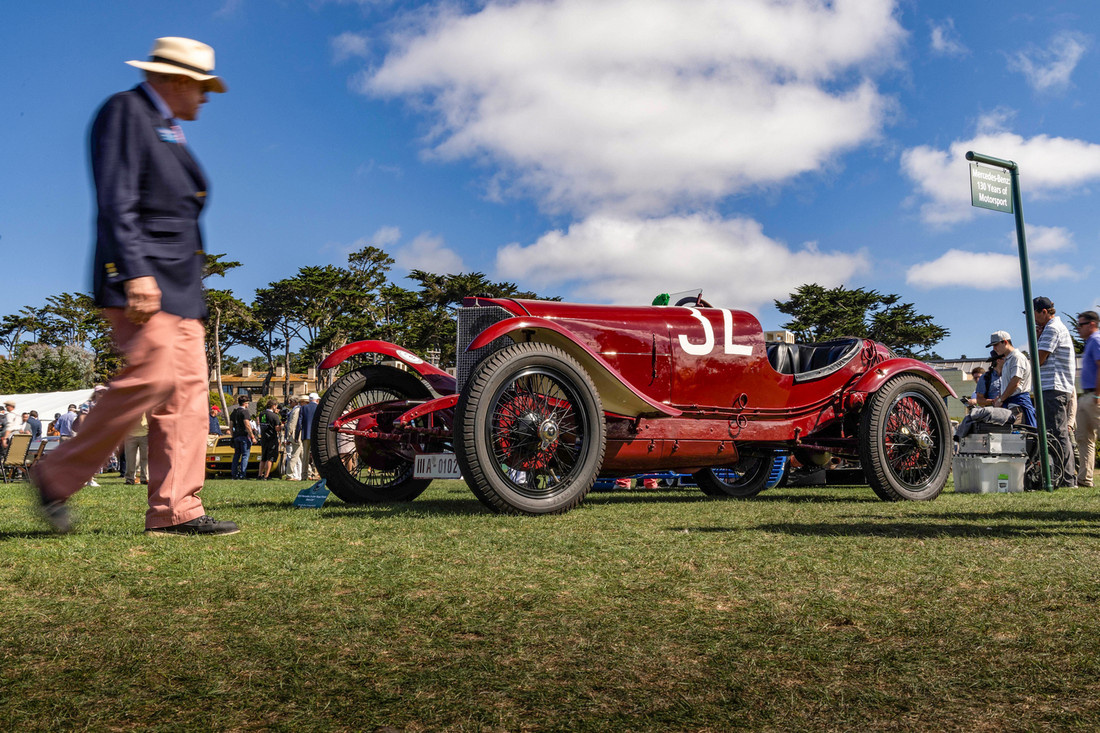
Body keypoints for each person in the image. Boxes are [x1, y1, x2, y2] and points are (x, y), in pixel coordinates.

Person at [30, 37, 237, 536]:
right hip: (144, 279)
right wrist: (134, 271)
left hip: (183, 290)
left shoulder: (168, 128)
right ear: (177, 80)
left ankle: (175, 510)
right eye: (202, 87)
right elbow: (116, 198)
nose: (206, 97)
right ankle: (55, 474)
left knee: (188, 399)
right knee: (153, 377)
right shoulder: (126, 111)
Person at [1033, 297, 1077, 487]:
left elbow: (1039, 359)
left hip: (1053, 387)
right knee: (1055, 434)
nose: (1033, 318)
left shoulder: (1052, 329)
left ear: (1043, 311)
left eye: (1033, 313)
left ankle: (1066, 479)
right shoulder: (1052, 328)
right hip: (1054, 387)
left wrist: (1037, 338)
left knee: (1057, 435)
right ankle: (1062, 476)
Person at [989, 331, 1036, 427]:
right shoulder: (1009, 359)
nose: (994, 348)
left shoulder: (1016, 358)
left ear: (1005, 342)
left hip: (1018, 407)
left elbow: (1015, 382)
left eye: (996, 345)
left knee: (1017, 438)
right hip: (1012, 405)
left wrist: (1001, 399)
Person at [1076, 311, 1100, 488]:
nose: (1078, 329)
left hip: (1095, 396)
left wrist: (1097, 395)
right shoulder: (1090, 343)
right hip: (1086, 396)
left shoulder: (1097, 340)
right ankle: (1085, 479)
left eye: (1081, 325)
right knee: (1084, 438)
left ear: (1092, 324)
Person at [229, 395, 255, 480]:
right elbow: (247, 425)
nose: (248, 404)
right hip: (244, 436)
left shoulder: (234, 412)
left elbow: (231, 425)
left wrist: (232, 435)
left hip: (236, 436)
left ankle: (234, 474)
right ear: (244, 403)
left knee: (236, 455)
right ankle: (242, 474)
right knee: (245, 455)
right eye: (247, 403)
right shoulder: (245, 412)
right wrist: (252, 436)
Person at [297, 392, 320, 480]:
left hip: (306, 434)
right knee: (315, 455)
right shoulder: (318, 408)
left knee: (305, 456)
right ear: (316, 400)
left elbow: (299, 423)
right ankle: (315, 474)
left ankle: (304, 475)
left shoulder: (303, 408)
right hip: (315, 434)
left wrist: (296, 435)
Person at [258, 401, 282, 480]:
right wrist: (282, 425)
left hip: (264, 437)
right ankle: (266, 475)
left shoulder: (261, 414)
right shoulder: (274, 416)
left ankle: (260, 475)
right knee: (270, 458)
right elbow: (277, 428)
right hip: (272, 438)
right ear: (273, 406)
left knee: (263, 458)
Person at [284, 396, 305, 480]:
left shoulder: (296, 410)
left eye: (291, 402)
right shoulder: (298, 409)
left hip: (295, 435)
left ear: (295, 402)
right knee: (299, 455)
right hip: (297, 435)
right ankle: (291, 474)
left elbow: (292, 423)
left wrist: (289, 435)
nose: (289, 403)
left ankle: (291, 474)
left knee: (297, 455)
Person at [124, 413, 150, 485]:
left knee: (145, 458)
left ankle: (145, 478)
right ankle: (130, 479)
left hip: (145, 434)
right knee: (130, 459)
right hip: (129, 435)